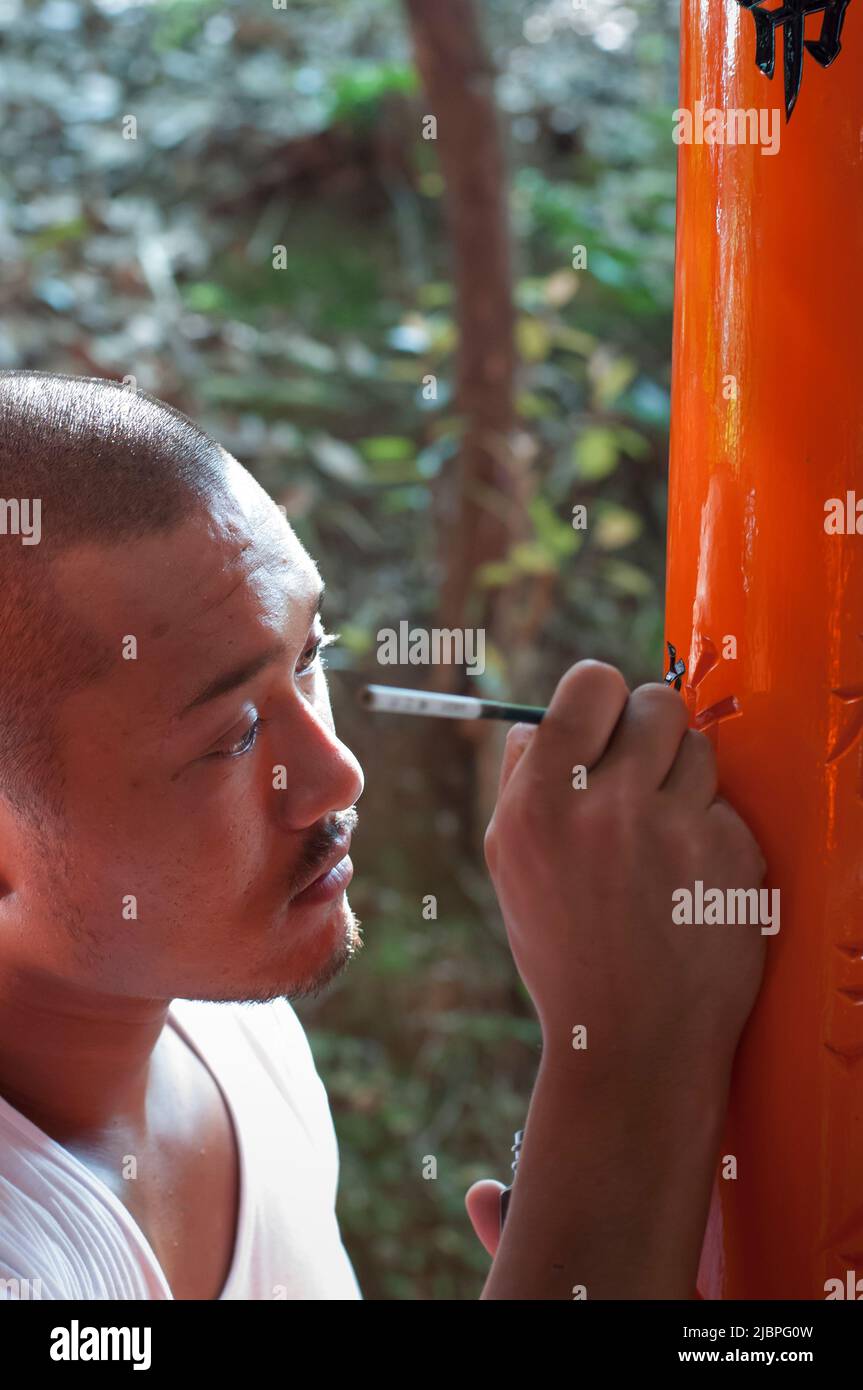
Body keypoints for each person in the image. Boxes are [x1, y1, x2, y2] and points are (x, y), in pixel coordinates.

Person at [0, 371, 766, 1300]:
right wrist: (628, 1053)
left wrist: (599, 1230)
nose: (338, 775)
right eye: (233, 736)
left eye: (309, 656)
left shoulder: (234, 1035)